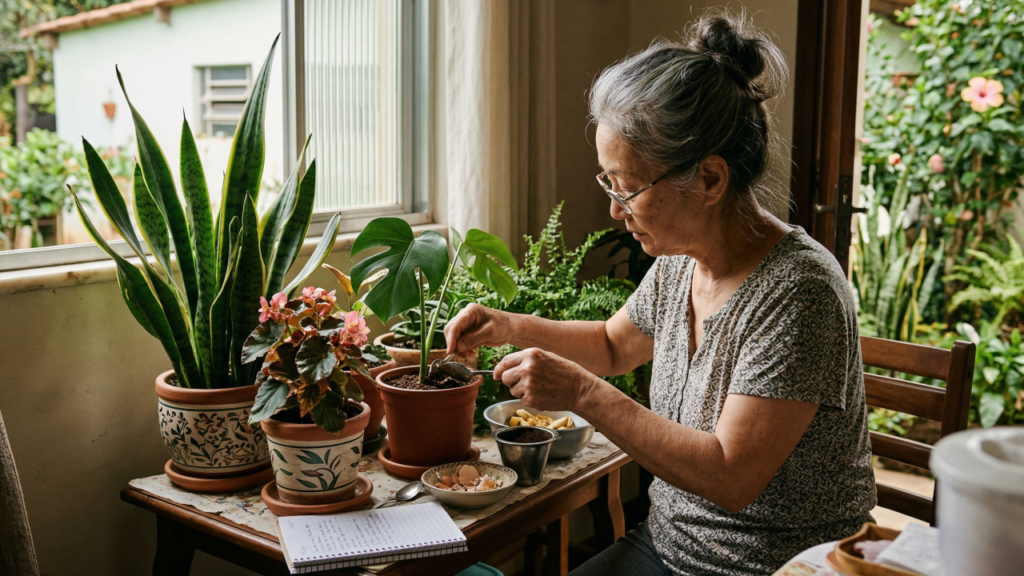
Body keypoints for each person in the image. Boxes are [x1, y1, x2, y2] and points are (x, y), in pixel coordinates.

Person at [443, 9, 876, 576]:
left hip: (771, 566)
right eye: (610, 183)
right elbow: (613, 343)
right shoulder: (681, 259)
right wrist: (511, 325)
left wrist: (582, 392)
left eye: (626, 188)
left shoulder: (800, 294)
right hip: (668, 546)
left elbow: (730, 477)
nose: (614, 210)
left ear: (710, 180)